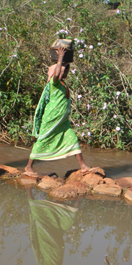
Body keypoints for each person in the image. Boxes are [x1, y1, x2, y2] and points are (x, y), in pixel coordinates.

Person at [24, 46, 91, 176]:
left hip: (62, 121)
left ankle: (83, 165)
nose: (66, 72)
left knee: (71, 138)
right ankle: (28, 166)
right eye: (64, 70)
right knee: (42, 140)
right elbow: (56, 74)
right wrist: (60, 57)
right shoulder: (54, 83)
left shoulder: (62, 84)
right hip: (51, 119)